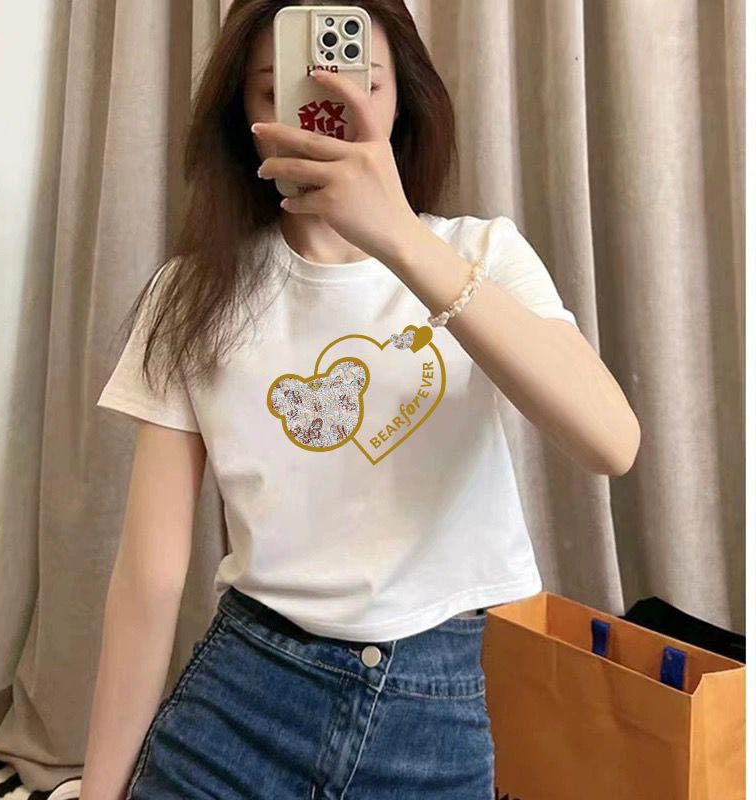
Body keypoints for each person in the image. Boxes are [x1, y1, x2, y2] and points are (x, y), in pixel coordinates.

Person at [80, 1, 641, 798]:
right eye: (279, 89)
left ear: (401, 96)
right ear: (243, 114)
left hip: (433, 713)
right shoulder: (192, 293)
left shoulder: (481, 254)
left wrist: (400, 237)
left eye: (361, 83)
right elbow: (149, 577)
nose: (324, 113)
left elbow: (611, 442)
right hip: (243, 696)